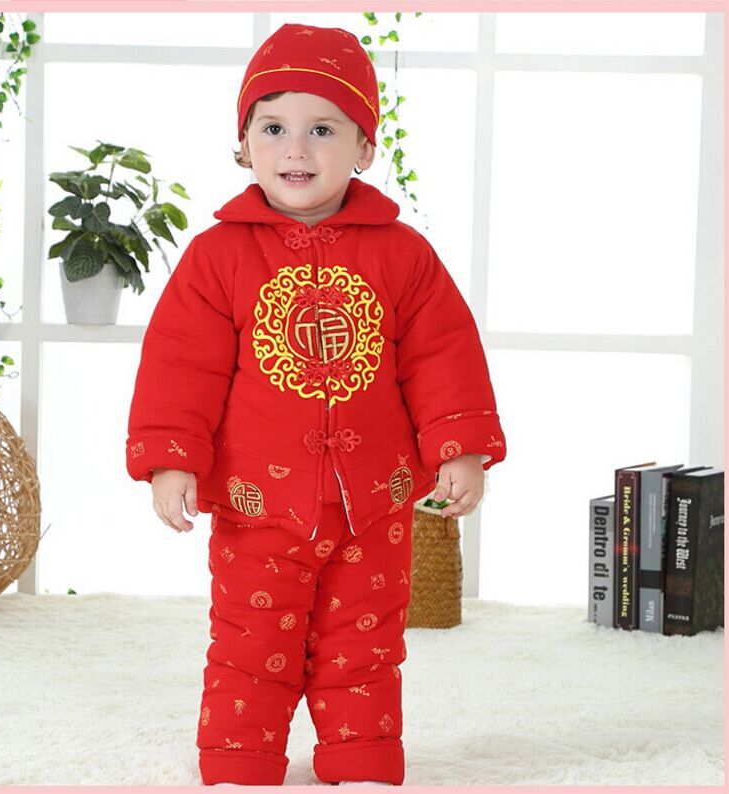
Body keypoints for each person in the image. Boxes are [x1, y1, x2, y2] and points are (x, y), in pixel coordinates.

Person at [126, 22, 507, 786]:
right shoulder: (216, 257)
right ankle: (239, 761)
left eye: (322, 130)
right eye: (273, 128)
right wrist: (171, 461)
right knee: (249, 639)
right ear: (243, 145)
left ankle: (361, 760)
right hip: (256, 503)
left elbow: (441, 354)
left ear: (364, 147)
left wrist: (460, 448)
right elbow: (181, 367)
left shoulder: (402, 254)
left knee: (365, 643)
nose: (295, 148)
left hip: (374, 502)